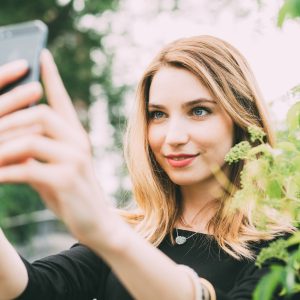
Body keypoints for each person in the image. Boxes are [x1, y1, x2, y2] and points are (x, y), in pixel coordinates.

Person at [0, 35, 296, 300]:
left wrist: (107, 232)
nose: (173, 137)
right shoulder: (133, 232)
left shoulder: (284, 247)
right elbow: (29, 288)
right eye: (158, 115)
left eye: (199, 111)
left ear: (242, 120)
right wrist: (110, 234)